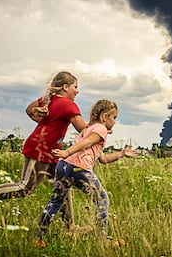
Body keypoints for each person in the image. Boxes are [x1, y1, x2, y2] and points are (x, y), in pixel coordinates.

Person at [0, 71, 88, 233]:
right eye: (75, 87)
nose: (77, 91)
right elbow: (83, 129)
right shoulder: (68, 105)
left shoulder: (48, 100)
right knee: (25, 187)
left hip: (52, 153)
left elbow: (29, 110)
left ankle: (70, 226)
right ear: (65, 87)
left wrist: (43, 122)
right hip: (39, 150)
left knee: (64, 185)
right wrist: (101, 128)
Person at [34, 99, 139, 246]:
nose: (114, 122)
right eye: (113, 118)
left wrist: (122, 153)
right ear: (104, 117)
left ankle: (38, 238)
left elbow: (103, 159)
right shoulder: (100, 129)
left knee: (55, 202)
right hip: (79, 168)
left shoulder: (89, 129)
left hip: (64, 166)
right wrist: (67, 152)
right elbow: (87, 142)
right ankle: (102, 241)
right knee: (102, 199)